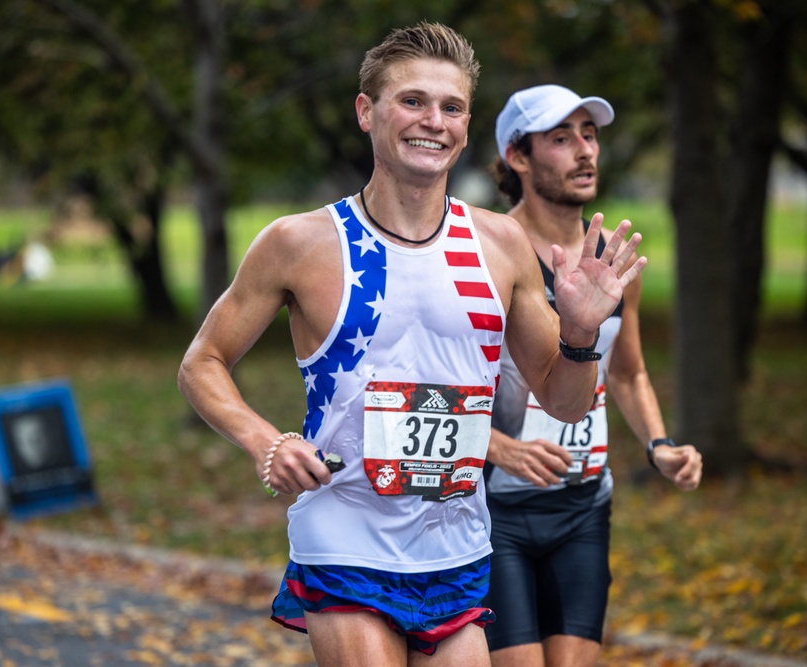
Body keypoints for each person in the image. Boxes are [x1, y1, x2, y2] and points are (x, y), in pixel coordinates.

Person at [177, 26, 647, 667]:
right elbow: (201, 362)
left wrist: (580, 334)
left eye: (451, 108)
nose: (434, 121)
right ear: (366, 112)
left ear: (468, 123)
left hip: (456, 547)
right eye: (413, 102)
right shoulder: (301, 243)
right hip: (345, 537)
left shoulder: (499, 246)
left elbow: (565, 403)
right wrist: (268, 442)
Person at [482, 84, 704, 667]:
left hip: (583, 504)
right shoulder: (486, 252)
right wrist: (500, 447)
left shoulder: (613, 255)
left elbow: (627, 373)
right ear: (518, 157)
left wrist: (659, 444)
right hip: (494, 508)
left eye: (590, 135)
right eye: (561, 138)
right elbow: (434, 384)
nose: (585, 151)